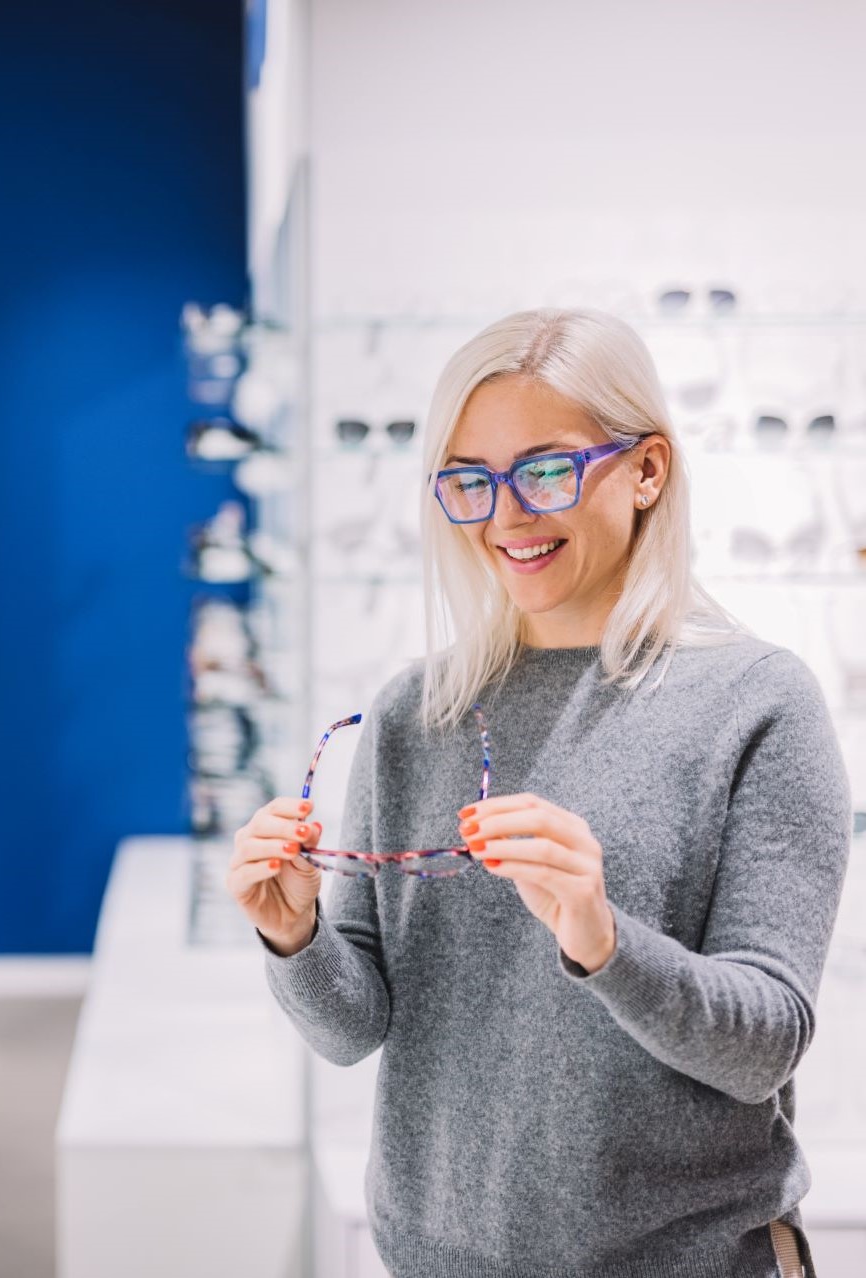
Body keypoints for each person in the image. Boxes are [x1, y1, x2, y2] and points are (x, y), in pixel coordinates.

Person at [226, 308, 852, 1278]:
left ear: (647, 471)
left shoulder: (759, 705)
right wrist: (293, 936)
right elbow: (352, 1029)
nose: (507, 516)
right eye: (471, 482)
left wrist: (604, 943)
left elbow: (764, 1043)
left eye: (548, 470)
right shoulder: (415, 716)